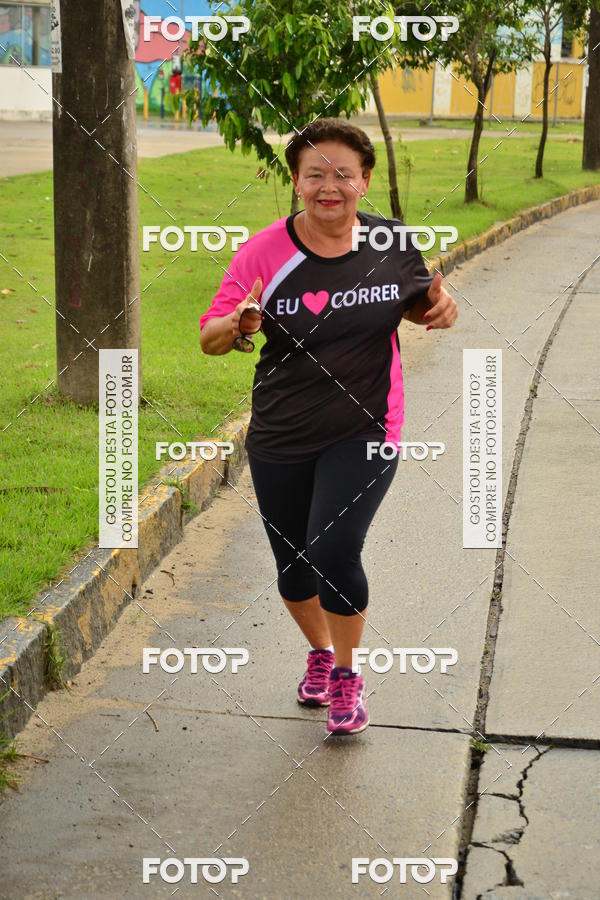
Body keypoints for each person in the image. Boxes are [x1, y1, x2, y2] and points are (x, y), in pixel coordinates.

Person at [199, 118, 458, 735]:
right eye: (314, 174)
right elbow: (210, 336)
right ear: (296, 183)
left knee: (333, 548)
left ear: (364, 181)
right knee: (294, 569)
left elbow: (419, 302)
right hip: (281, 433)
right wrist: (239, 323)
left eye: (343, 173)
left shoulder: (392, 243)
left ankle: (347, 675)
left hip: (366, 426)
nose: (329, 186)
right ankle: (318, 653)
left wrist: (437, 310)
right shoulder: (264, 252)